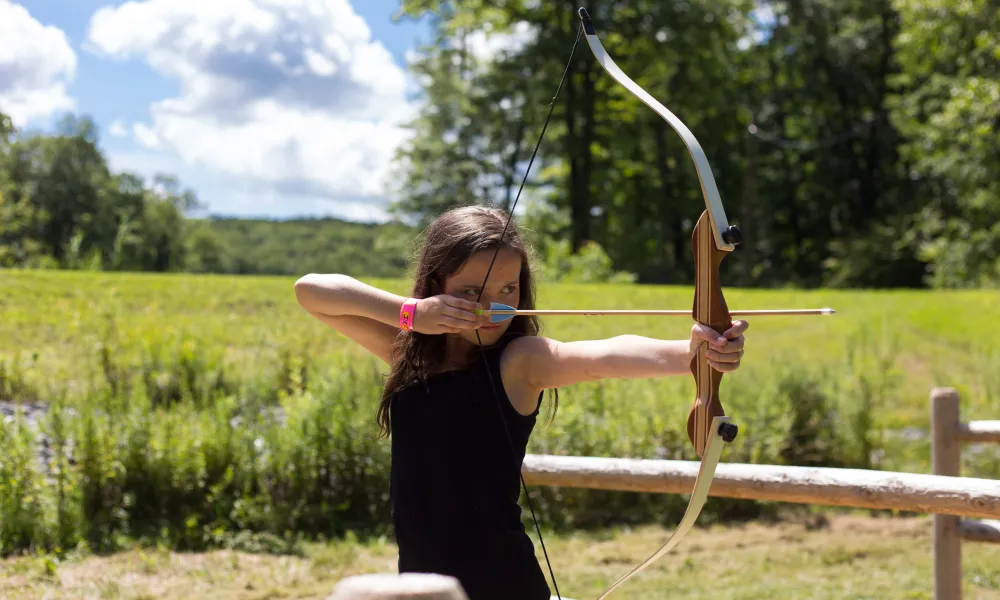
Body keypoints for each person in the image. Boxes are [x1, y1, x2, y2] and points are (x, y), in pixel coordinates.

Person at [293, 205, 749, 600]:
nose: (493, 307)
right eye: (472, 293)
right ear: (435, 282)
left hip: (502, 585)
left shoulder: (519, 360)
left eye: (507, 291)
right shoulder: (406, 353)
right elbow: (311, 290)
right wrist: (410, 314)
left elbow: (600, 357)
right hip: (423, 585)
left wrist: (694, 352)